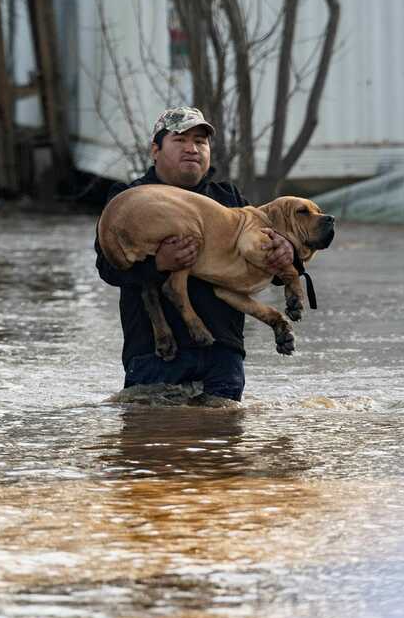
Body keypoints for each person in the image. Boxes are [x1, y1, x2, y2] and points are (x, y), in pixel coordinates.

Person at [95, 107, 295, 403]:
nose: (192, 149)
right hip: (155, 356)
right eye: (180, 140)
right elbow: (107, 267)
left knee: (222, 446)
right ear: (155, 150)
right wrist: (158, 264)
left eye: (200, 141)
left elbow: (264, 261)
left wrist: (287, 252)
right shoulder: (129, 197)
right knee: (153, 446)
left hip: (222, 355)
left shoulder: (229, 199)